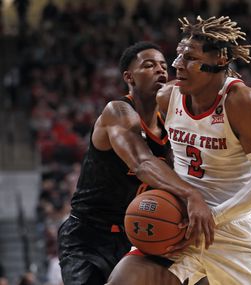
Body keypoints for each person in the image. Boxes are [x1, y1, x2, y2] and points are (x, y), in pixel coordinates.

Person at [107, 16, 251, 285]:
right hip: (178, 222)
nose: (176, 64)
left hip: (231, 229)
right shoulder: (167, 97)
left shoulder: (242, 102)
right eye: (179, 55)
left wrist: (213, 216)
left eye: (189, 57)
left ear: (219, 60)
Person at [57, 41, 215, 285]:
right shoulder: (117, 112)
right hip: (89, 236)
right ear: (128, 77)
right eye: (149, 65)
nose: (160, 70)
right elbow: (142, 163)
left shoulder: (171, 123)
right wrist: (191, 194)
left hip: (142, 231)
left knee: (200, 279)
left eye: (164, 66)